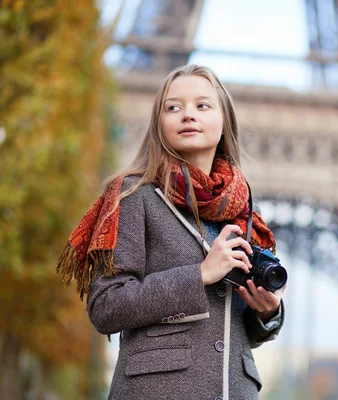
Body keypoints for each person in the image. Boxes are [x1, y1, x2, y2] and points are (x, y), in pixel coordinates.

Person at [56, 64, 285, 400]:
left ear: (224, 123)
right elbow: (106, 307)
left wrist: (267, 311)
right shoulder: (134, 196)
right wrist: (200, 274)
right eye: (173, 107)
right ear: (159, 125)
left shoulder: (245, 212)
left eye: (202, 106)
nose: (187, 115)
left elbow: (236, 330)